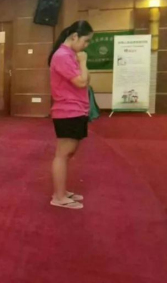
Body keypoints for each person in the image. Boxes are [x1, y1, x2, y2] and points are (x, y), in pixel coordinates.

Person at [48, 20, 94, 210]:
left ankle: (61, 192)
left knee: (68, 154)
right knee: (63, 154)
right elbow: (82, 82)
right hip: (67, 110)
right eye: (86, 40)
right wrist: (83, 62)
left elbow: (85, 79)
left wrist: (82, 63)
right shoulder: (62, 56)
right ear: (74, 36)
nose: (86, 45)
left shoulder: (69, 55)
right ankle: (58, 197)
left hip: (75, 109)